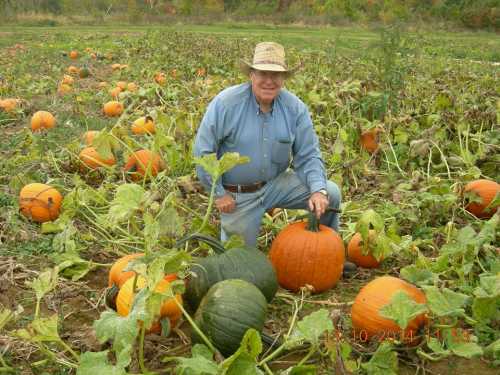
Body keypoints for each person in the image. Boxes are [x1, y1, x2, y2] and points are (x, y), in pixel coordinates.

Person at [194, 42, 342, 248]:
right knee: (241, 267)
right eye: (263, 74)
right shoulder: (226, 104)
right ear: (251, 75)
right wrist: (219, 194)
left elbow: (308, 156)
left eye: (276, 75)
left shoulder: (295, 108)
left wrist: (318, 190)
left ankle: (328, 250)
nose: (269, 81)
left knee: (330, 192)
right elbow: (203, 152)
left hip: (276, 185)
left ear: (283, 79)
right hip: (237, 196)